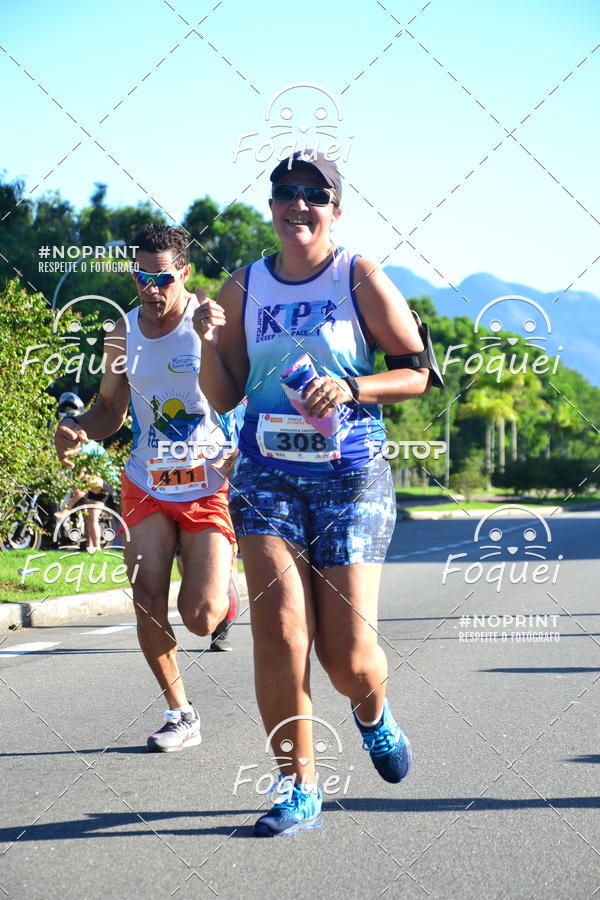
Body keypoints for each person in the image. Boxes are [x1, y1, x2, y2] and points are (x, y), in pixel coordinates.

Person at [196, 151, 437, 836]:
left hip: (349, 477)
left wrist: (352, 387)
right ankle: (297, 785)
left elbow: (418, 373)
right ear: (271, 206)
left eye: (314, 194)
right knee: (279, 631)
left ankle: (373, 712)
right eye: (285, 193)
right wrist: (206, 342)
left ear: (336, 208)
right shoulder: (242, 286)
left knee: (347, 659)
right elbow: (226, 395)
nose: (298, 205)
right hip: (267, 475)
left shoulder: (357, 276)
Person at [54, 225, 238, 752]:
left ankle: (223, 593)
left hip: (207, 481)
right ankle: (180, 713)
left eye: (162, 279)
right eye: (141, 277)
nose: (151, 289)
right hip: (146, 480)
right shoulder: (122, 333)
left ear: (184, 273)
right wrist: (79, 428)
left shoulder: (211, 323)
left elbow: (242, 395)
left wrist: (214, 342)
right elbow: (111, 409)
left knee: (201, 617)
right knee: (147, 594)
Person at [55, 392, 117, 551]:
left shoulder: (86, 447)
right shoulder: (83, 446)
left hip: (103, 483)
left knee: (90, 512)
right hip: (95, 484)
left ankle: (95, 547)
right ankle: (90, 547)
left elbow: (83, 471)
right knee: (88, 518)